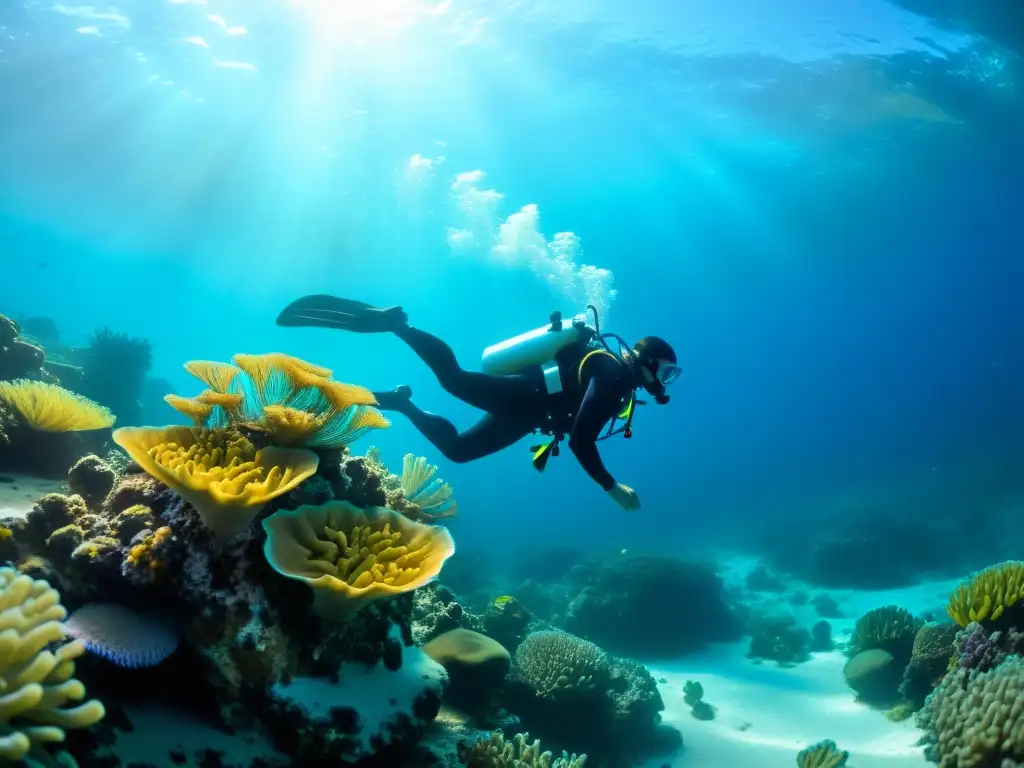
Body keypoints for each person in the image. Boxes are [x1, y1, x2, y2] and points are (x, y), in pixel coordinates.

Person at [276, 296, 680, 511]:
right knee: (455, 380)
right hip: (529, 395)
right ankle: (398, 325)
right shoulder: (613, 376)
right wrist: (611, 486)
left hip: (531, 412)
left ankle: (403, 403)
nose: (664, 383)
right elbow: (580, 440)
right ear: (647, 361)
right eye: (666, 372)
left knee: (459, 451)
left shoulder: (618, 381)